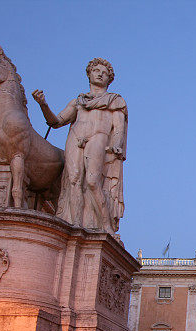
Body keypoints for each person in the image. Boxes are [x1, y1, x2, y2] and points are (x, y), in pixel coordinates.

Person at [32, 58, 127, 234]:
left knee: (92, 181)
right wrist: (43, 104)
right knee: (73, 179)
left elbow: (119, 129)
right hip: (76, 138)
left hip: (99, 137)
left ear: (109, 79)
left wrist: (115, 145)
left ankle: (106, 226)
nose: (100, 74)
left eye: (104, 73)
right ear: (89, 74)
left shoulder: (115, 101)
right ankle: (74, 226)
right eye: (96, 70)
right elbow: (56, 122)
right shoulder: (77, 102)